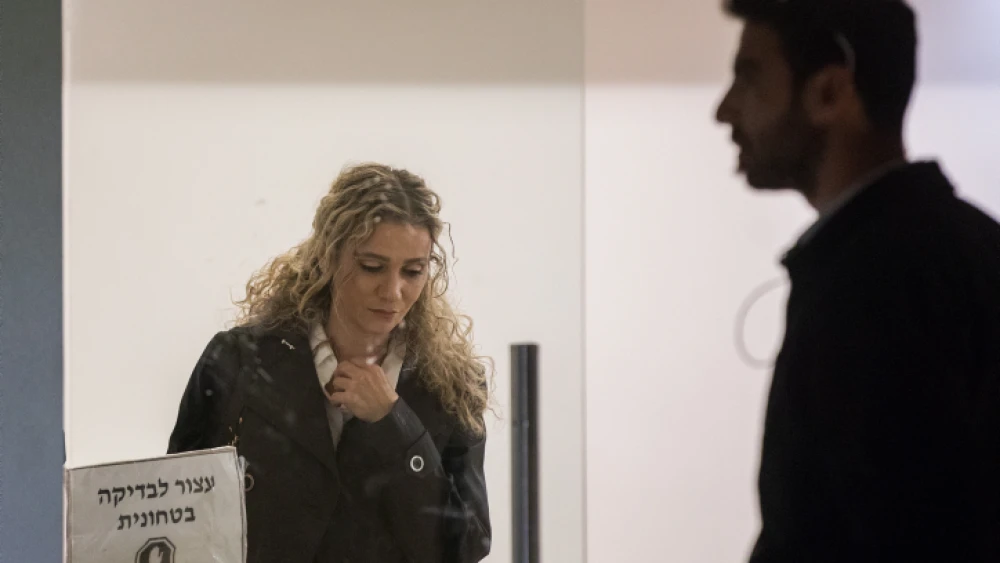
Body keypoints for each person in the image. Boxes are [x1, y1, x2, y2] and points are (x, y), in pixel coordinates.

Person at [715, 1, 1000, 561]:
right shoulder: (970, 247)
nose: (724, 110)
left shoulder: (874, 284)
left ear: (830, 91)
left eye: (749, 75)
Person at [167, 163, 493, 563]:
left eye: (413, 271)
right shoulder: (236, 363)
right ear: (328, 256)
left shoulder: (452, 385)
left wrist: (395, 424)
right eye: (372, 266)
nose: (393, 291)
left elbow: (464, 547)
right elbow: (179, 518)